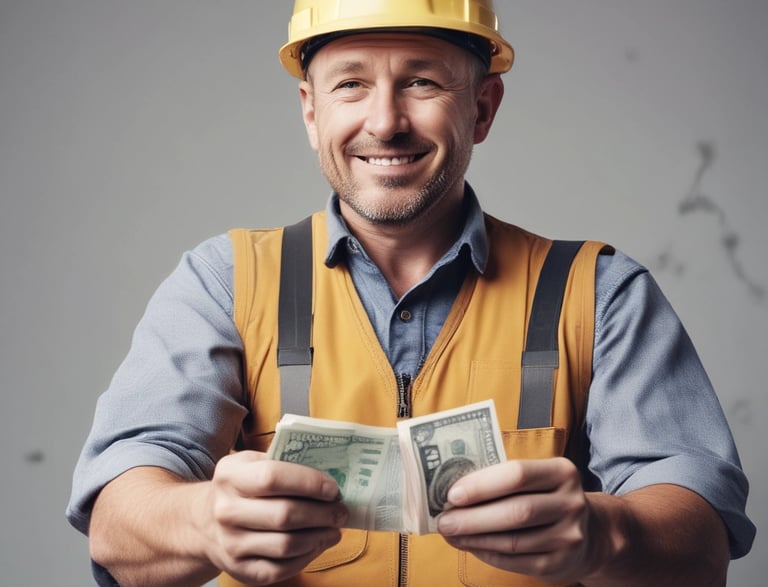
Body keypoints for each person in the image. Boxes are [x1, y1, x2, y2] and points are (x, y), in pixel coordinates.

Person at [67, 1, 755, 586]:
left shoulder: (600, 293)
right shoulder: (223, 283)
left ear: (483, 107)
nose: (385, 121)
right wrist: (203, 521)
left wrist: (606, 533)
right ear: (310, 111)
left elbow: (703, 537)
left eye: (421, 82)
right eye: (351, 85)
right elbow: (116, 520)